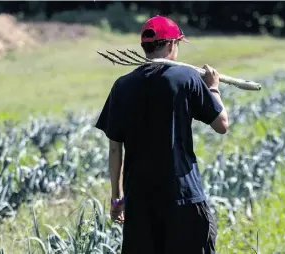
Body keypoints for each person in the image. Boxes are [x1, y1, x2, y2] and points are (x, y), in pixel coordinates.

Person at [95, 15, 229, 254]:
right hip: (183, 196)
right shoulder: (186, 78)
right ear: (170, 45)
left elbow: (115, 147)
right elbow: (221, 124)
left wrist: (117, 198)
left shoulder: (121, 86)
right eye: (177, 44)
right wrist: (213, 86)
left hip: (139, 202)